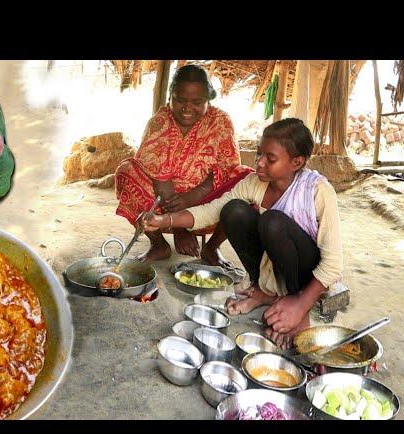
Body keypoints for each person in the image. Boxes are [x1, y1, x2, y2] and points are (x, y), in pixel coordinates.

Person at [142, 118, 343, 348]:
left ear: (296, 162)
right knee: (233, 211)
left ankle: (296, 309)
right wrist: (163, 220)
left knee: (273, 222)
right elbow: (212, 211)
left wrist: (300, 306)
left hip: (306, 275)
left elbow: (333, 265)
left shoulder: (318, 191)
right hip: (274, 267)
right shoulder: (254, 183)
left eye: (271, 159)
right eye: (259, 154)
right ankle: (261, 290)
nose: (259, 163)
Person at [115, 64, 253, 263]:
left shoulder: (221, 121)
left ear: (208, 100)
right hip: (165, 199)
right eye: (180, 100)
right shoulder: (160, 122)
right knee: (127, 171)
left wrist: (193, 196)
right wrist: (180, 228)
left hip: (207, 197)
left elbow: (227, 168)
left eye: (197, 101)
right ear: (171, 96)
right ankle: (159, 245)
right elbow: (159, 176)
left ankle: (211, 248)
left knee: (246, 180)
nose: (187, 108)